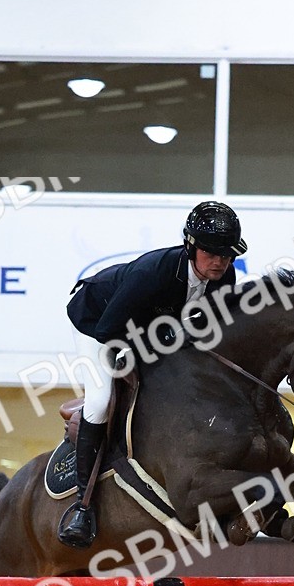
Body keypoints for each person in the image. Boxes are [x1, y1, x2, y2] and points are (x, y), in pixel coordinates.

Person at [57, 201, 247, 548]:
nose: (220, 261)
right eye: (211, 252)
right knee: (100, 403)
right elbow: (109, 329)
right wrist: (161, 339)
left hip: (146, 331)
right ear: (191, 246)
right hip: (95, 322)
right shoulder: (153, 273)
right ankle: (81, 507)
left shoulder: (225, 279)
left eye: (227, 254)